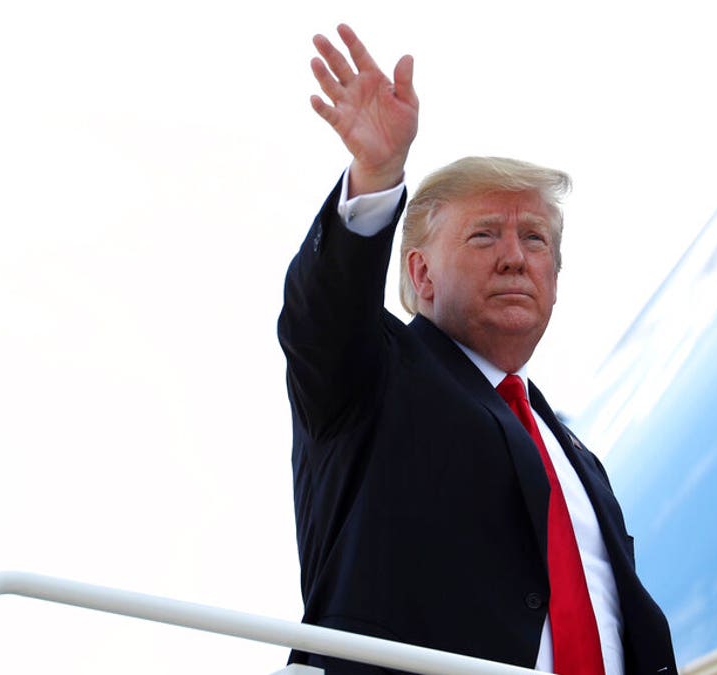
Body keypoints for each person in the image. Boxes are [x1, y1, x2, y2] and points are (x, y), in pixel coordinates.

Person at [278, 24, 677, 675]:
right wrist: (376, 174)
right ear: (423, 275)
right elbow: (323, 318)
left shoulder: (575, 456)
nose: (517, 257)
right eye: (486, 235)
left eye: (537, 239)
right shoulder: (375, 379)